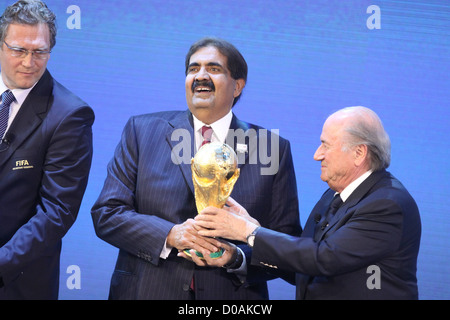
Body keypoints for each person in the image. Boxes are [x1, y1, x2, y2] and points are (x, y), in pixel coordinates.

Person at [91, 37, 301, 300]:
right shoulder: (141, 132)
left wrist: (237, 258)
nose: (200, 76)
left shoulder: (272, 147)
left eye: (213, 69)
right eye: (193, 69)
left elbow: (287, 246)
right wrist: (170, 235)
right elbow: (107, 214)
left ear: (237, 86)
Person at [196, 106, 422, 300]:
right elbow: (302, 264)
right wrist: (237, 255)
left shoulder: (387, 205)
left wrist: (248, 232)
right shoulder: (333, 195)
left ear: (359, 153)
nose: (317, 155)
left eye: (326, 145)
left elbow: (324, 258)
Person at [0, 0, 95, 299]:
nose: (29, 62)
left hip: (16, 281)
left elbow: (56, 212)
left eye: (39, 52)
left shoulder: (70, 115)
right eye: (18, 50)